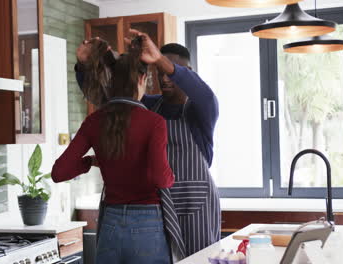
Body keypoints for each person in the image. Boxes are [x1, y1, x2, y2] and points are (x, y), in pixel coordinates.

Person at [52, 37, 174, 264]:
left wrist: (89, 162)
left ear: (110, 82)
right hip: (147, 224)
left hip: (110, 223)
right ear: (141, 79)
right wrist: (171, 174)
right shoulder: (154, 122)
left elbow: (59, 172)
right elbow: (162, 179)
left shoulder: (94, 121)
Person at [132, 29, 221, 260]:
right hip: (159, 203)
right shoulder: (149, 106)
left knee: (199, 261)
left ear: (185, 72)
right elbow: (111, 97)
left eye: (169, 72)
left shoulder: (201, 107)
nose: (163, 79)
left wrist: (160, 59)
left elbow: (202, 92)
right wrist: (85, 67)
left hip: (197, 204)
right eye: (159, 72)